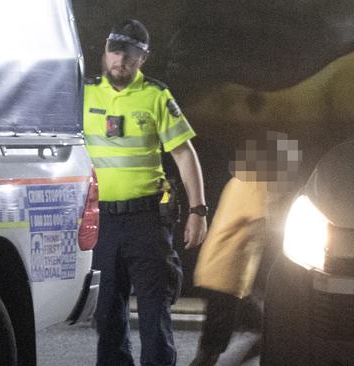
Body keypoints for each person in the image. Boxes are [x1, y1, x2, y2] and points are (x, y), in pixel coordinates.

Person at [83, 19, 208, 366]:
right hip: (101, 222)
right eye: (115, 51)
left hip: (146, 221)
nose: (120, 60)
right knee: (105, 313)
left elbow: (184, 153)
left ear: (143, 59)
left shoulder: (155, 95)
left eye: (131, 55)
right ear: (106, 50)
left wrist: (199, 211)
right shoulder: (84, 92)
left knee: (155, 314)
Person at [189, 131, 299, 365]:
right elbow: (266, 222)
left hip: (231, 279)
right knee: (212, 346)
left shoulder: (241, 180)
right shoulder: (253, 184)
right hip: (225, 278)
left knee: (265, 330)